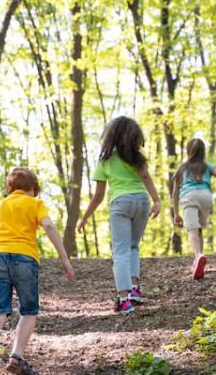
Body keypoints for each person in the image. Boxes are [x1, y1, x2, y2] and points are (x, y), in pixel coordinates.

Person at [0, 168, 74, 375]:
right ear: (34, 188)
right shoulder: (35, 203)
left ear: (9, 188)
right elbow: (49, 226)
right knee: (28, 311)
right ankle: (16, 358)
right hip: (25, 258)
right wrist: (64, 259)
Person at [77, 116, 161, 314]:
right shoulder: (136, 157)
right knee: (133, 246)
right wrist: (156, 200)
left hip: (120, 203)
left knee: (120, 251)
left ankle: (123, 300)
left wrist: (85, 217)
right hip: (141, 201)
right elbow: (146, 177)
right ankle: (134, 290)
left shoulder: (106, 160)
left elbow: (98, 195)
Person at [172, 138, 216, 280]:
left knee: (192, 230)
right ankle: (199, 259)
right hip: (205, 196)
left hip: (189, 196)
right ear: (203, 151)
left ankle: (198, 256)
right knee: (198, 230)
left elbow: (175, 192)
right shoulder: (207, 166)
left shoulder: (182, 168)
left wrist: (175, 213)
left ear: (188, 151)